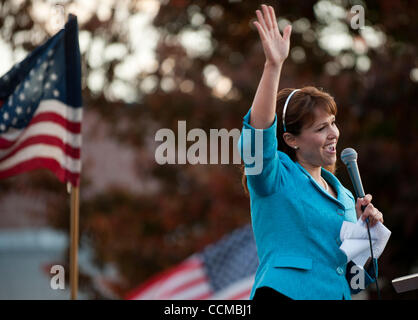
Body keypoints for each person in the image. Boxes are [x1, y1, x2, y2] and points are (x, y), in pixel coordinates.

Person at [238, 4, 384, 300]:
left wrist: (365, 233)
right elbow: (257, 138)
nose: (333, 134)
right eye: (320, 129)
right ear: (291, 140)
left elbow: (351, 276)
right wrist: (273, 66)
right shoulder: (274, 177)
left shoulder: (343, 194)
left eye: (332, 123)